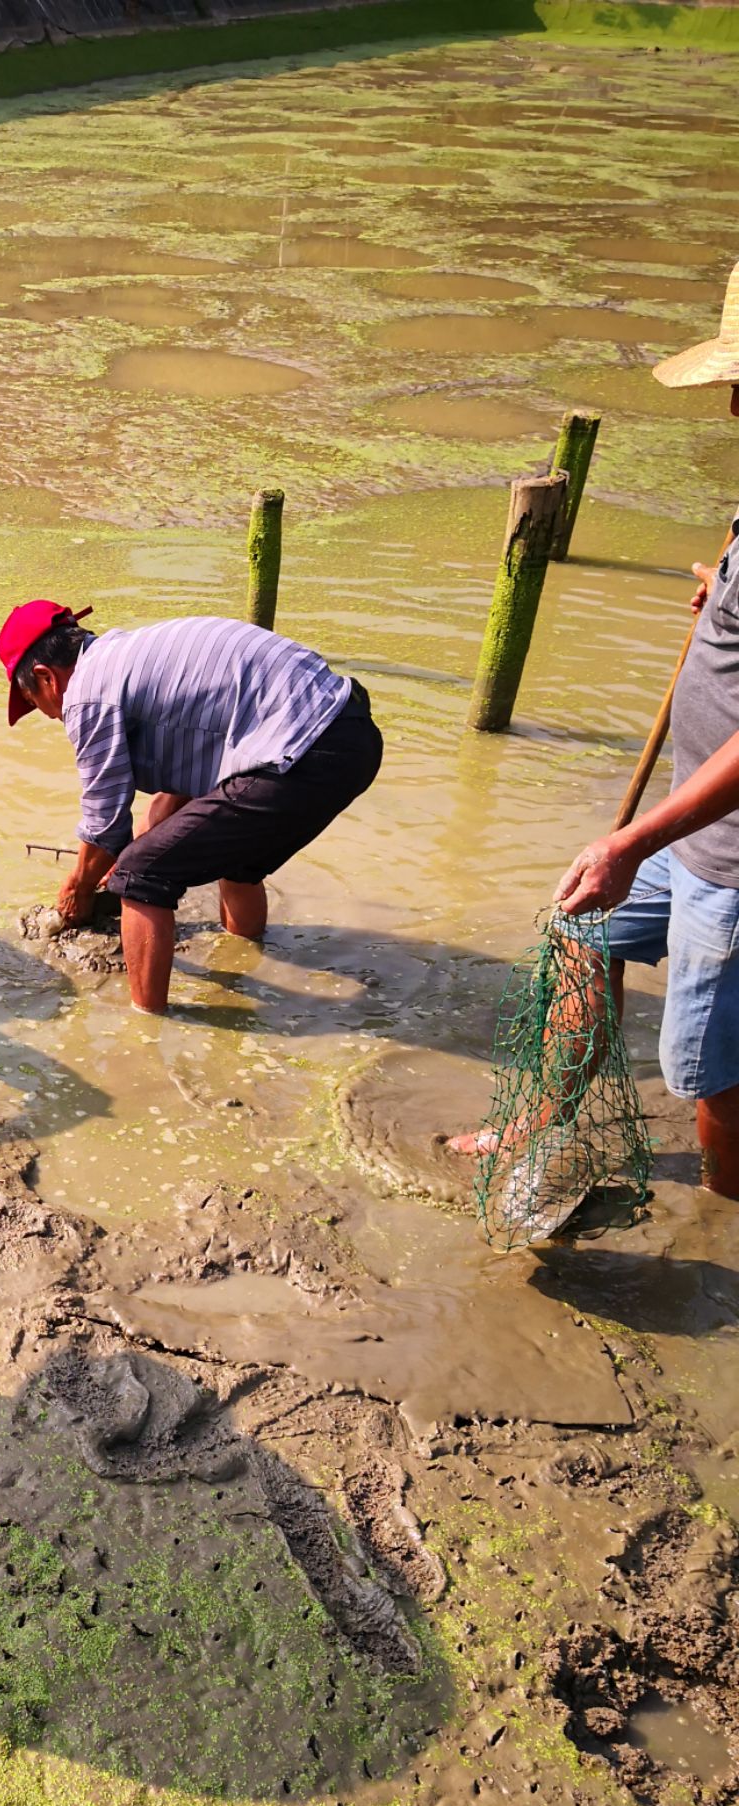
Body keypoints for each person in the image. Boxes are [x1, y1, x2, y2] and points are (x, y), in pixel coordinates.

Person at [454, 261, 739, 1198]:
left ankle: (721, 1213)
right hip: (692, 830)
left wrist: (630, 841)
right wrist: (723, 596)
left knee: (711, 1071)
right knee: (584, 929)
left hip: (730, 858)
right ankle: (550, 1114)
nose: (733, 407)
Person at [0, 600, 381, 1015]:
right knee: (234, 861)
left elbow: (103, 824)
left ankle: (148, 1029)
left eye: (34, 701)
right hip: (350, 735)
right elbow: (183, 784)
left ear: (46, 677)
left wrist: (78, 889)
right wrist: (137, 842)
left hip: (301, 749)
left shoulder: (87, 695)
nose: (48, 716)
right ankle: (243, 961)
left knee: (141, 873)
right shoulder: (127, 658)